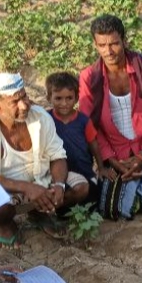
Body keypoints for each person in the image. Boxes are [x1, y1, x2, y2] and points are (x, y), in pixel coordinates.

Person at [0, 73, 90, 247]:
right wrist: (29, 188)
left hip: (40, 180)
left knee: (81, 187)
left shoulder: (40, 117)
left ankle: (39, 212)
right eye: (15, 102)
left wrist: (59, 185)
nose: (24, 106)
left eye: (24, 97)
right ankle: (7, 225)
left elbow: (57, 155)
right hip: (5, 189)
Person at [78, 14, 142, 218]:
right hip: (113, 154)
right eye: (102, 45)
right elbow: (90, 125)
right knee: (111, 210)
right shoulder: (89, 78)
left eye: (114, 44)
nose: (108, 51)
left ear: (124, 41)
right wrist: (111, 159)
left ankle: (138, 184)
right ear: (95, 44)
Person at [45, 71, 103, 202]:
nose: (64, 103)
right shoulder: (46, 119)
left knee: (93, 199)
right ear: (49, 98)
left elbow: (93, 144)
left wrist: (101, 167)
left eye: (69, 98)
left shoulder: (83, 121)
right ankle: (56, 206)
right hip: (57, 173)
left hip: (83, 169)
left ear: (76, 98)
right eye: (58, 98)